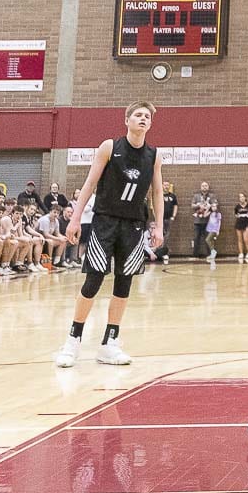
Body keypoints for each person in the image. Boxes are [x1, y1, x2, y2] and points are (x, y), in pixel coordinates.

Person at [53, 102, 163, 368]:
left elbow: (156, 192)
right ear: (126, 120)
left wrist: (158, 226)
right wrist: (76, 218)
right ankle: (73, 340)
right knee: (93, 280)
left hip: (134, 225)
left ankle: (109, 343)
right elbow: (90, 183)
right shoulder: (109, 147)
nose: (143, 119)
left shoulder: (154, 155)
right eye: (138, 115)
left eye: (147, 116)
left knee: (123, 284)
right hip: (105, 222)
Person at [234, 192, 248, 263]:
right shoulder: (237, 207)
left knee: (246, 239)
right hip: (239, 224)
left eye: (243, 197)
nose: (241, 198)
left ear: (245, 198)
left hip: (246, 224)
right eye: (240, 197)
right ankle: (241, 253)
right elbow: (236, 214)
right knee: (240, 239)